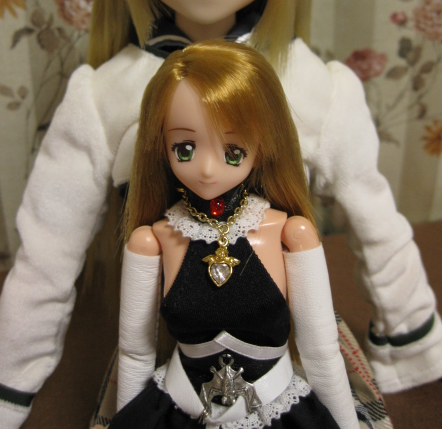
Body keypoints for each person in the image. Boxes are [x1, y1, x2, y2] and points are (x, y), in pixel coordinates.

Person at [0, 0, 440, 427]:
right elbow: (46, 259)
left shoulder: (314, 86)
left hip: (285, 349)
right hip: (171, 352)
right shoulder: (104, 97)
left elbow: (378, 224)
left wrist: (412, 336)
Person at [109, 40, 359, 429]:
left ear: (263, 146)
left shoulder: (290, 232)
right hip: (180, 405)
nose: (208, 170)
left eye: (233, 151)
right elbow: (135, 353)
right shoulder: (152, 240)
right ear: (161, 145)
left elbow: (321, 352)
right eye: (185, 148)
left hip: (275, 405)